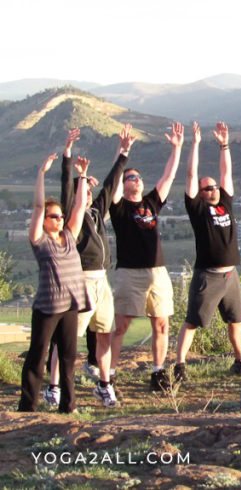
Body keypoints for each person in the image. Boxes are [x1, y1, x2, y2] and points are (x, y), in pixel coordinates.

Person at [45, 126, 133, 409]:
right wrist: (69, 156)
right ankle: (54, 387)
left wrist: (124, 152)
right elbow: (66, 187)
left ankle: (104, 385)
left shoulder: (96, 211)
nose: (89, 191)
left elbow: (111, 182)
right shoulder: (72, 217)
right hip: (79, 282)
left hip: (101, 282)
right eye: (83, 188)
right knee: (67, 338)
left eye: (89, 187)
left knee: (104, 334)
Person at [109, 122, 184, 390]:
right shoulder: (117, 206)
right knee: (121, 326)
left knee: (162, 324)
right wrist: (123, 150)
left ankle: (158, 371)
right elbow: (114, 179)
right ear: (124, 183)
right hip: (130, 272)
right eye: (131, 177)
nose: (137, 180)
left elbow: (168, 177)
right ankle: (110, 374)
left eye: (139, 177)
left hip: (158, 271)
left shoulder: (151, 203)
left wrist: (177, 148)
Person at [173, 122, 241, 383]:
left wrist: (224, 144)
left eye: (214, 186)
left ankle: (240, 361)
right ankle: (180, 365)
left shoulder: (225, 202)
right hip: (209, 276)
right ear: (200, 194)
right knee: (193, 321)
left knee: (235, 321)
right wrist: (195, 143)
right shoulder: (198, 210)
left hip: (230, 276)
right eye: (208, 188)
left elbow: (226, 172)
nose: (213, 189)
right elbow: (191, 175)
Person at [19, 153, 90, 413]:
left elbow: (80, 207)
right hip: (48, 308)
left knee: (69, 358)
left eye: (60, 216)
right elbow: (38, 207)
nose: (59, 220)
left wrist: (82, 177)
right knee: (37, 358)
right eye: (54, 216)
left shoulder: (69, 235)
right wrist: (41, 174)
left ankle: (68, 407)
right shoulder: (39, 239)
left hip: (70, 305)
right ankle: (27, 408)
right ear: (45, 220)